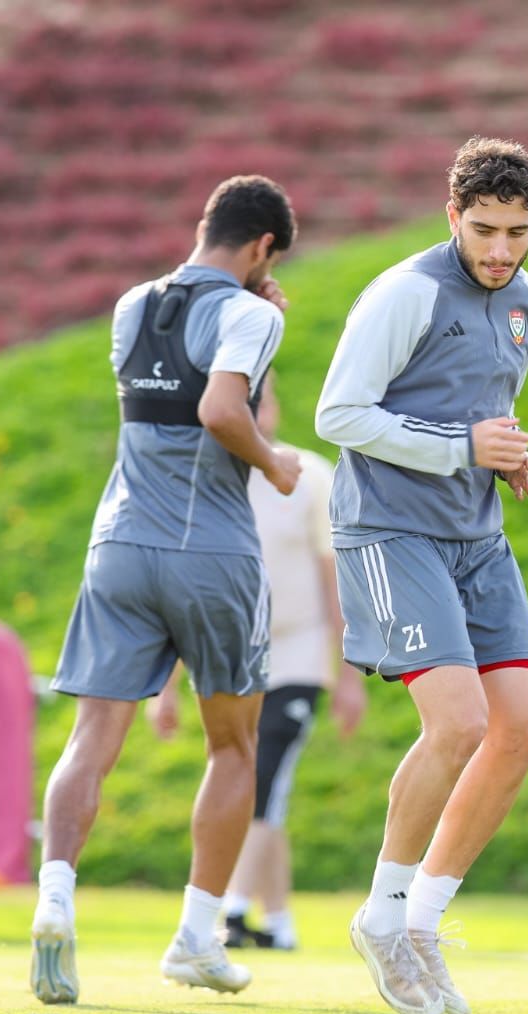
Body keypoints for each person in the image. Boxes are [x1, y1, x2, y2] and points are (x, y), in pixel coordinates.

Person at [31, 175, 301, 1005]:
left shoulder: (130, 305)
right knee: (233, 747)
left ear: (204, 227)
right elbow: (223, 410)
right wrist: (275, 462)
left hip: (117, 545)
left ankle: (53, 897)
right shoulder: (251, 314)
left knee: (90, 739)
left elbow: (168, 395)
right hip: (209, 550)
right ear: (263, 249)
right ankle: (194, 937)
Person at [315, 136, 528, 1014]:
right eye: (483, 230)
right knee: (458, 722)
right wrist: (461, 448)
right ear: (451, 215)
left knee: (520, 730)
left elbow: (482, 400)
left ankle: (421, 925)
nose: (499, 251)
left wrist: (505, 452)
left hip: (475, 535)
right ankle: (380, 916)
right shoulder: (405, 292)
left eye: (517, 233)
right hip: (388, 531)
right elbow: (337, 412)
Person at [149, 373, 367, 951]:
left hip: (297, 655)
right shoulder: (209, 480)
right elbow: (186, 590)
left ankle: (234, 911)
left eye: (260, 400)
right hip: (228, 653)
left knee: (264, 777)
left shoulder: (310, 476)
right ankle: (280, 923)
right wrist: (166, 686)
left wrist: (348, 676)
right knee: (254, 783)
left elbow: (334, 585)